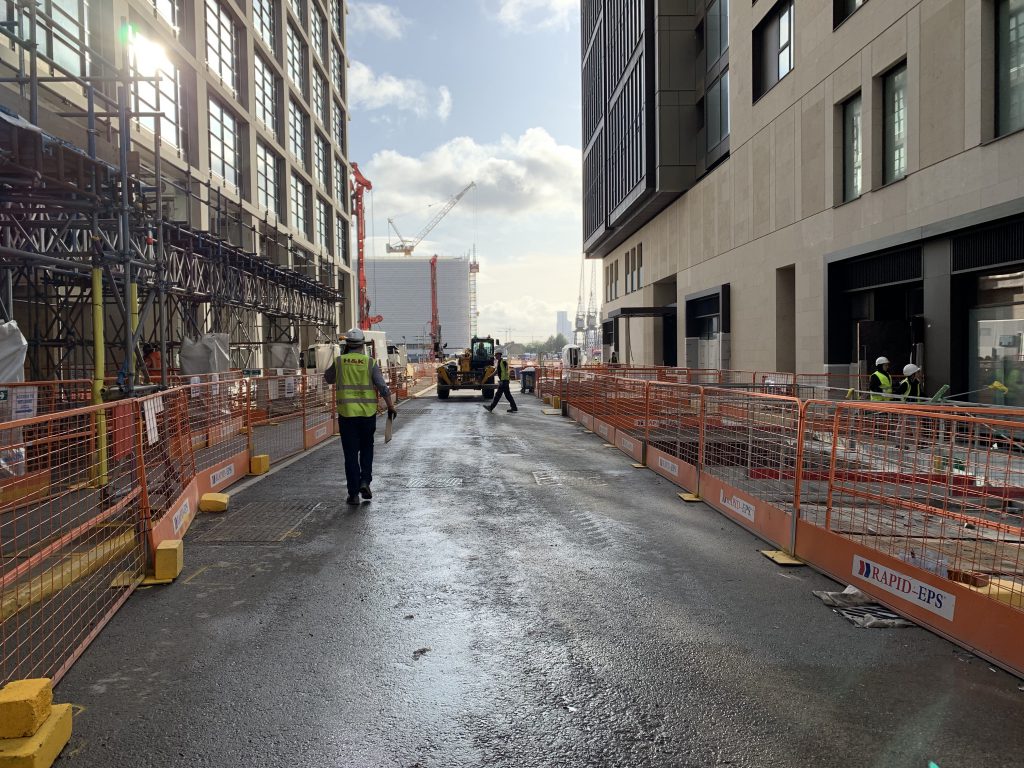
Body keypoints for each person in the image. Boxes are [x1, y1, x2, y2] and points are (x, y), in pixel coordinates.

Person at [324, 327, 397, 505]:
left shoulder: (340, 361)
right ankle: (365, 482)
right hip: (367, 415)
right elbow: (382, 386)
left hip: (347, 416)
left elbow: (328, 378)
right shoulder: (369, 362)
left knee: (350, 455)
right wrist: (390, 406)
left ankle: (354, 494)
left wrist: (342, 356)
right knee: (366, 450)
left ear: (347, 344)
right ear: (363, 345)